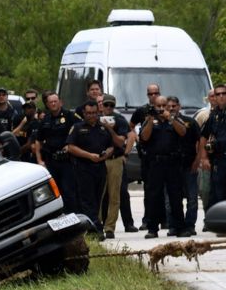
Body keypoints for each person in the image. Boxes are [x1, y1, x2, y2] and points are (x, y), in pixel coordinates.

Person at [139, 96, 189, 238]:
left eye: (164, 106)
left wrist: (170, 119)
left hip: (173, 162)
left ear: (168, 106)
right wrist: (149, 120)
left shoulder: (174, 119)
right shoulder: (150, 120)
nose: (161, 109)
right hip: (155, 163)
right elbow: (144, 137)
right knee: (154, 196)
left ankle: (179, 227)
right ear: (154, 106)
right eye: (158, 106)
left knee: (175, 196)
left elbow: (183, 132)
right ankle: (152, 228)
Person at [66, 100, 115, 239]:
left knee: (98, 199)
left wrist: (107, 154)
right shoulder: (77, 127)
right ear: (84, 113)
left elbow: (112, 146)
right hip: (83, 168)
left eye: (94, 113)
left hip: (100, 167)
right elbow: (70, 147)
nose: (91, 116)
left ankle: (92, 226)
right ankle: (96, 229)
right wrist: (89, 156)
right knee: (87, 200)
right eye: (88, 113)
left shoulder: (103, 128)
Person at [35, 91, 81, 213]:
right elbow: (38, 141)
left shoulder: (70, 116)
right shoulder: (45, 119)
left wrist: (70, 145)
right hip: (51, 161)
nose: (54, 104)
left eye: (55, 101)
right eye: (51, 102)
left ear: (60, 102)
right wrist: (39, 160)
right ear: (47, 104)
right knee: (54, 192)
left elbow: (80, 132)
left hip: (67, 161)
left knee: (68, 192)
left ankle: (73, 219)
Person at [98, 94, 135, 237]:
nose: (108, 108)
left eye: (111, 106)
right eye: (106, 105)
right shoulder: (95, 118)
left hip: (115, 160)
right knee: (99, 194)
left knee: (115, 194)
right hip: (99, 160)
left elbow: (120, 142)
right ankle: (98, 224)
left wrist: (109, 128)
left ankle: (109, 228)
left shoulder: (119, 120)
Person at [130, 83, 161, 231]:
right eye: (151, 94)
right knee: (149, 190)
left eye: (156, 93)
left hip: (163, 154)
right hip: (147, 155)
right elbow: (130, 125)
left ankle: (165, 219)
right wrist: (136, 138)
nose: (153, 96)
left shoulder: (164, 108)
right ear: (147, 95)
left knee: (165, 190)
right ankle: (147, 219)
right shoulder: (142, 111)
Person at [167, 96, 200, 235]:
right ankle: (174, 225)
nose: (171, 108)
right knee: (171, 199)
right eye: (169, 106)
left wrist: (197, 161)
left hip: (189, 164)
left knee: (192, 198)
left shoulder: (190, 122)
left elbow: (200, 142)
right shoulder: (163, 122)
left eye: (174, 106)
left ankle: (190, 225)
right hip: (171, 167)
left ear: (179, 106)